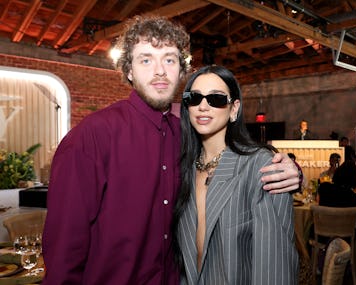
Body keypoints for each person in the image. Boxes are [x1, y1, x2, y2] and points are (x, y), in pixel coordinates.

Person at [41, 16, 300, 285]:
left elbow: (233, 155)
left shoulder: (184, 134)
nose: (159, 71)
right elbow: (63, 252)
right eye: (146, 59)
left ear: (181, 69)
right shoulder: (92, 136)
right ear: (128, 70)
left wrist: (292, 170)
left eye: (169, 59)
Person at [173, 65, 298, 284]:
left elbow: (274, 269)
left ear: (233, 109)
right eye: (195, 98)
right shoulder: (183, 168)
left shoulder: (260, 166)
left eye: (216, 99)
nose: (203, 106)